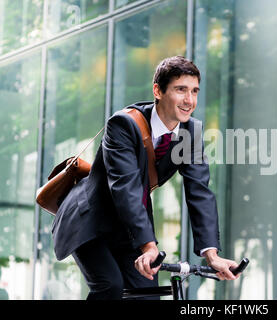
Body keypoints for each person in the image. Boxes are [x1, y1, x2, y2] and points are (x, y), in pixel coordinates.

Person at [51, 56, 239, 299]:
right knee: (110, 286)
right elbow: (126, 188)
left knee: (146, 293)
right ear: (157, 90)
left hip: (128, 227)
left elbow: (199, 191)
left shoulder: (191, 132)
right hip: (89, 219)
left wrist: (211, 255)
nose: (189, 100)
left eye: (194, 91)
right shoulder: (123, 124)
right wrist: (149, 247)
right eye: (180, 90)